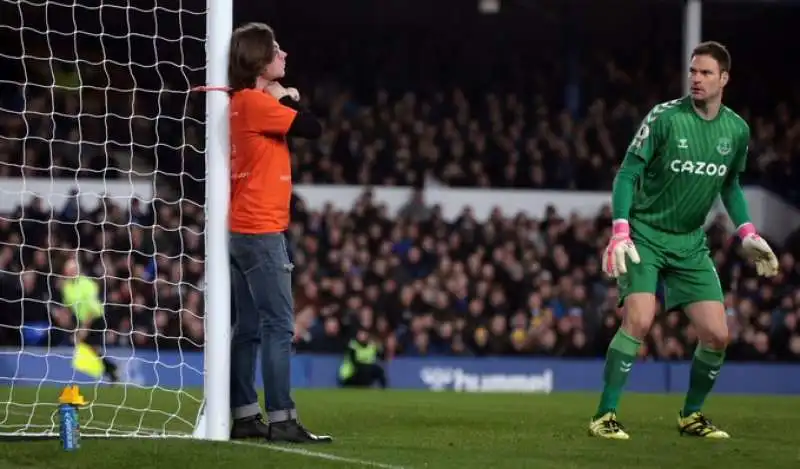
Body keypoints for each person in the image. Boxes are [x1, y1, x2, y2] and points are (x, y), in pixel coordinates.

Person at [590, 41, 779, 440]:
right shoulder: (664, 118)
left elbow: (731, 185)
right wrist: (620, 228)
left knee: (717, 335)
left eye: (706, 72)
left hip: (690, 243)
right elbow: (627, 174)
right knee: (639, 319)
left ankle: (691, 416)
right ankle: (604, 416)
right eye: (693, 71)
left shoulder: (737, 130)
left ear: (724, 78)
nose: (696, 78)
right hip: (645, 235)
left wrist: (747, 232)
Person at [225, 22, 330, 443]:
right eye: (277, 49)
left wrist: (280, 97)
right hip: (262, 229)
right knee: (279, 326)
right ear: (260, 60)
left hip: (243, 229)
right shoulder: (258, 102)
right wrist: (284, 97)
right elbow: (313, 128)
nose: (284, 54)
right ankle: (282, 418)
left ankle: (247, 414)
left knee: (249, 327)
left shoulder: (242, 101)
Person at [60, 258, 120, 383]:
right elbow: (69, 306)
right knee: (90, 349)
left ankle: (110, 369)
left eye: (73, 269)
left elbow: (92, 309)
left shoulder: (88, 284)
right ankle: (111, 370)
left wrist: (84, 328)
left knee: (90, 348)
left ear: (78, 270)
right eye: (69, 270)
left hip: (96, 319)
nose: (71, 272)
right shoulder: (66, 288)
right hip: (81, 321)